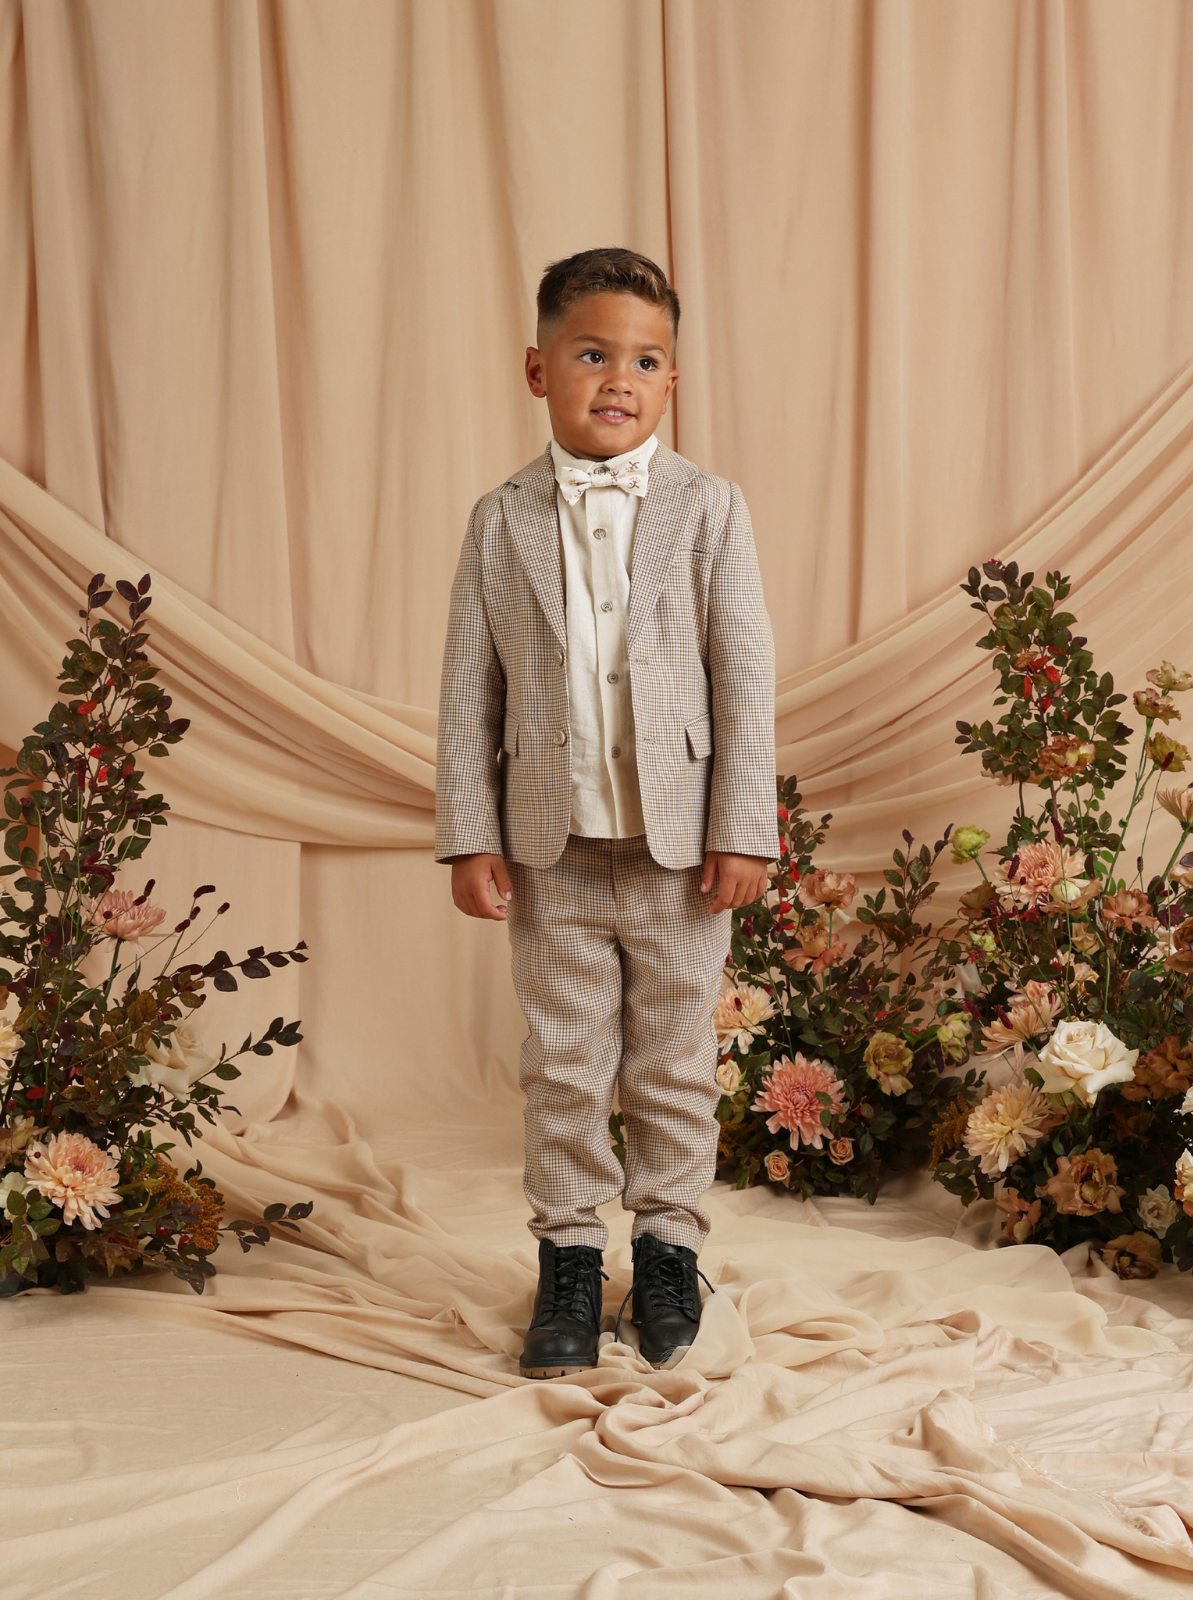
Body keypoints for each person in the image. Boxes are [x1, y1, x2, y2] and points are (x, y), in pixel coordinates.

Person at [436, 247, 778, 1377]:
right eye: (591, 354)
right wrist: (469, 832)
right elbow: (465, 689)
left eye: (644, 359)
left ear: (670, 380)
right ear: (538, 369)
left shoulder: (709, 509)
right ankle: (570, 1259)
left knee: (674, 1059)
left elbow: (743, 676)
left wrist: (741, 826)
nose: (617, 378)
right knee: (567, 1063)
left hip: (681, 849)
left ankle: (670, 1250)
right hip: (551, 847)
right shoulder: (498, 521)